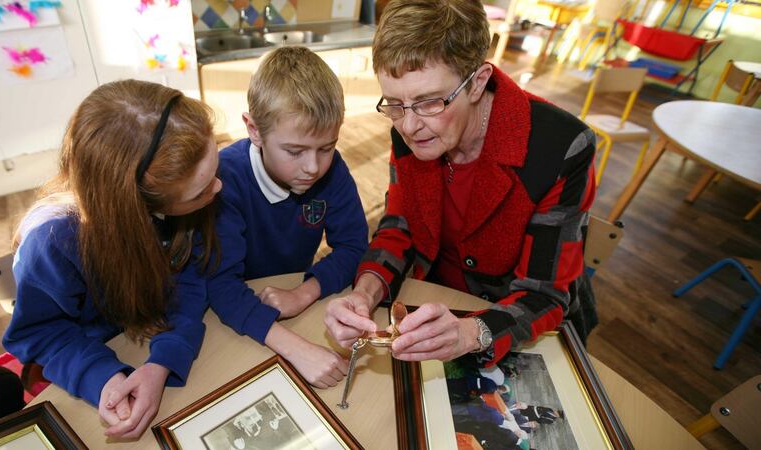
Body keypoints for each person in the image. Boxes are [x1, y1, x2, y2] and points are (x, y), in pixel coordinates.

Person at [324, 0, 597, 367]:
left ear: (477, 83)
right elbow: (400, 227)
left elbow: (544, 294)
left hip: (510, 319)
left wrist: (471, 333)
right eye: (394, 103)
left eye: (429, 102)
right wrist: (365, 292)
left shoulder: (561, 147)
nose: (408, 126)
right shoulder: (413, 126)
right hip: (434, 303)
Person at [2, 80, 222, 439]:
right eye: (201, 190)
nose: (219, 188)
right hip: (93, 359)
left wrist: (163, 362)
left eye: (215, 170)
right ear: (138, 208)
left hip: (150, 343)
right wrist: (102, 377)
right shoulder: (51, 243)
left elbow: (190, 277)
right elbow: (40, 333)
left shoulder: (189, 182)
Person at [208, 46, 368, 387]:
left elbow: (354, 247)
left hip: (291, 300)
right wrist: (297, 350)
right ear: (254, 130)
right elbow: (219, 284)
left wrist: (304, 293)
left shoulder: (332, 171)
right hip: (233, 320)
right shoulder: (225, 181)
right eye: (295, 151)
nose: (313, 167)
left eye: (327, 147)